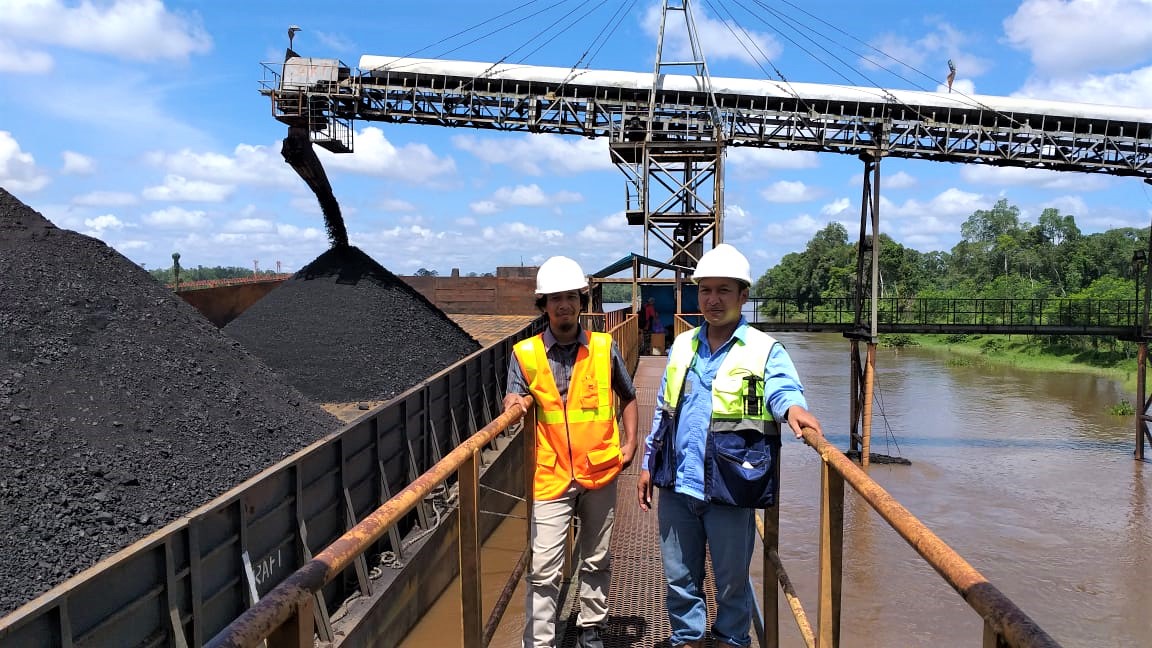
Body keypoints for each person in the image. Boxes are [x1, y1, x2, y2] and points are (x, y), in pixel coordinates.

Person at [635, 244, 822, 648]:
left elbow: (782, 388)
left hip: (731, 484)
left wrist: (793, 408)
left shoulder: (764, 349)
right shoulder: (683, 345)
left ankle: (732, 641)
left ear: (743, 296)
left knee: (732, 580)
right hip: (678, 483)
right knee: (679, 577)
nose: (713, 299)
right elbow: (664, 410)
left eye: (724, 290)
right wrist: (649, 463)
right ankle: (688, 638)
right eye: (706, 290)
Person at [505, 255, 640, 648]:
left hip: (599, 470)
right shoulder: (524, 353)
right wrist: (513, 403)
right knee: (544, 567)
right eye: (555, 298)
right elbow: (512, 397)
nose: (564, 305)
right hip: (551, 476)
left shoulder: (604, 347)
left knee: (596, 558)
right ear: (544, 305)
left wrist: (631, 442)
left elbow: (629, 396)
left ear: (582, 301)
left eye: (570, 297)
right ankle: (540, 642)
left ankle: (591, 628)